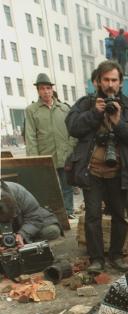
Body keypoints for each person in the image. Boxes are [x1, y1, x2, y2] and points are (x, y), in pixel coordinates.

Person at [65, 60, 128, 274]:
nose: (109, 84)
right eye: (105, 79)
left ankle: (116, 254)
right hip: (93, 172)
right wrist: (94, 114)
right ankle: (96, 259)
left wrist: (117, 121)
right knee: (92, 217)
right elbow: (72, 127)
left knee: (119, 215)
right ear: (98, 81)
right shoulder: (85, 103)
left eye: (114, 80)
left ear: (120, 83)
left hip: (118, 172)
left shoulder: (126, 107)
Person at [24, 73, 75, 219]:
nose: (46, 91)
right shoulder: (32, 110)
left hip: (64, 156)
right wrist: (35, 160)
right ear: (38, 91)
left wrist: (71, 149)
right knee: (49, 188)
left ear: (52, 89)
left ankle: (69, 212)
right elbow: (30, 136)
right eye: (42, 88)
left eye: (48, 88)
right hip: (46, 157)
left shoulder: (64, 108)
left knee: (67, 186)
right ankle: (51, 215)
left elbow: (73, 132)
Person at [0, 181, 62, 245]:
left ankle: (25, 243)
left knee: (52, 231)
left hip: (23, 224)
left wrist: (22, 234)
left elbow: (34, 216)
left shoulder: (18, 192)